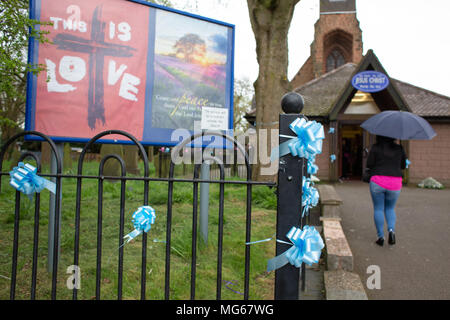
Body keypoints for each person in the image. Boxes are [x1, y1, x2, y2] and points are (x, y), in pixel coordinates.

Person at [366, 135, 407, 246]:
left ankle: (381, 237)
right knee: (390, 208)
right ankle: (391, 231)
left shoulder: (375, 147)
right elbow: (403, 165)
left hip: (378, 181)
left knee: (378, 209)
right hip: (395, 182)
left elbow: (369, 164)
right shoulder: (400, 148)